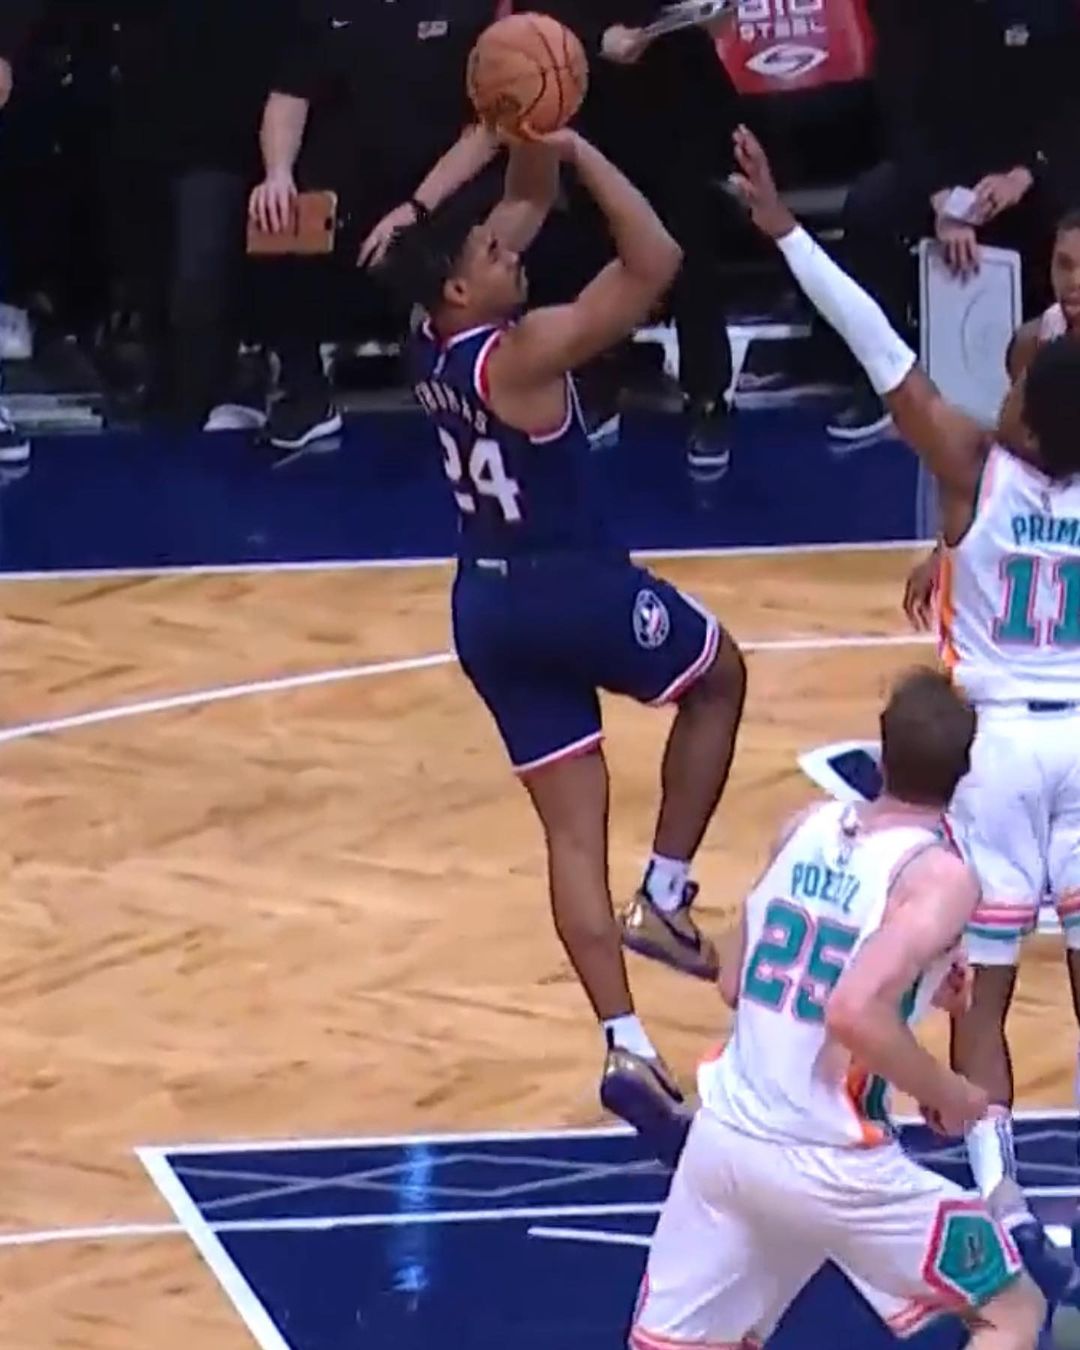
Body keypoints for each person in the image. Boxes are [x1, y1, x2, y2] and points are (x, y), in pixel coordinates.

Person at [730, 122, 1080, 1296]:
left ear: (1028, 403)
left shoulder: (972, 467)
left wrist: (784, 231)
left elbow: (875, 342)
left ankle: (1002, 1198)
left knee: (985, 993)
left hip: (996, 745)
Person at [378, 130, 746, 1162]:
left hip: (485, 609)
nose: (511, 255)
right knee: (719, 677)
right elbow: (657, 262)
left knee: (572, 838)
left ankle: (627, 1046)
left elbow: (520, 203)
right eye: (491, 258)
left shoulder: (427, 333)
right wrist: (585, 142)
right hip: (571, 587)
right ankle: (667, 897)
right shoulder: (523, 351)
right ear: (460, 288)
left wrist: (525, 132)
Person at [632, 667, 1046, 1350]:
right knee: (1011, 1308)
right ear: (964, 772)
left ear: (880, 750)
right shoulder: (941, 876)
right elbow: (853, 1011)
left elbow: (736, 981)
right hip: (832, 1165)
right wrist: (953, 1094)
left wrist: (920, 979)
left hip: (725, 1141)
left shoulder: (802, 826)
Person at [829, 0, 1080, 441]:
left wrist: (1027, 172)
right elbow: (900, 106)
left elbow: (1069, 104)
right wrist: (943, 197)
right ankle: (883, 383)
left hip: (1029, 167)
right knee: (868, 209)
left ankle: (1061, 378)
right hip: (944, 169)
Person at [904, 210, 1080, 628]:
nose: (1074, 280)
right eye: (1065, 264)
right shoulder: (1033, 342)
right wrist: (949, 550)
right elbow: (1006, 456)